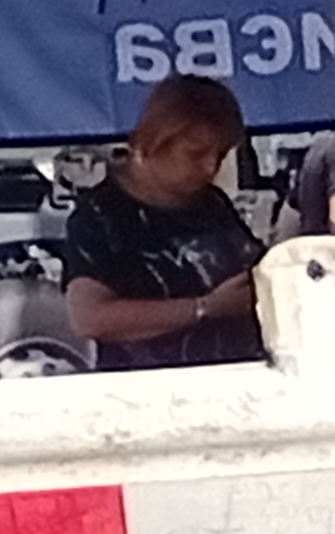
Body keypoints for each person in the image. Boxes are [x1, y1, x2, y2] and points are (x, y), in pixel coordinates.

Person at [53, 74, 272, 366]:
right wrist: (204, 308)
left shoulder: (211, 203)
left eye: (220, 155)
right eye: (196, 154)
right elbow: (89, 317)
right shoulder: (100, 215)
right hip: (151, 392)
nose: (211, 167)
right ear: (155, 139)